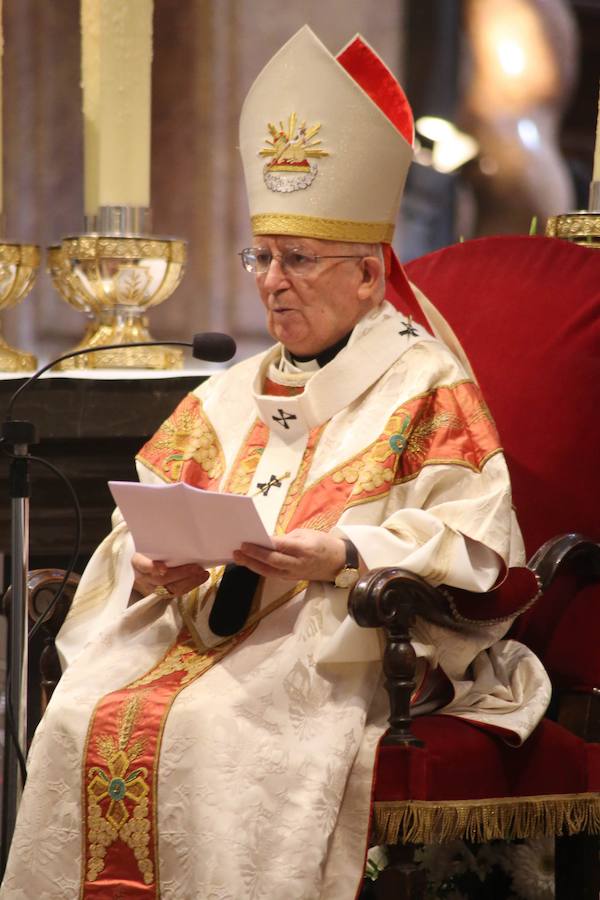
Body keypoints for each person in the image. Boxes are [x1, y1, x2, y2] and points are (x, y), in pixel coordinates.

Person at [1, 26, 550, 900]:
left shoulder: (425, 383)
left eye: (299, 259)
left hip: (343, 646)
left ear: (369, 277)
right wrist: (145, 567)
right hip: (196, 637)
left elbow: (476, 539)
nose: (271, 282)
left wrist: (344, 556)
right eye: (263, 256)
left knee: (224, 729)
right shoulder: (234, 389)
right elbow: (133, 522)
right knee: (77, 715)